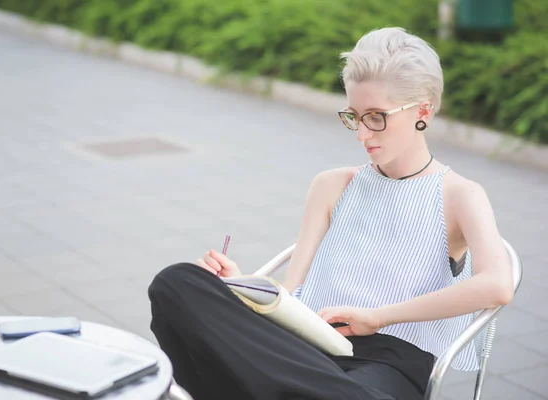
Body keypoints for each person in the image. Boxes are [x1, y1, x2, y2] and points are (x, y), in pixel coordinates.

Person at [147, 27, 514, 400]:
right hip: (300, 348)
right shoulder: (332, 184)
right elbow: (291, 292)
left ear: (422, 111)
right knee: (176, 283)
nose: (362, 134)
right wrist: (242, 289)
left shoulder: (460, 195)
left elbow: (497, 285)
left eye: (376, 117)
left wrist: (379, 317)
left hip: (386, 365)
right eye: (354, 116)